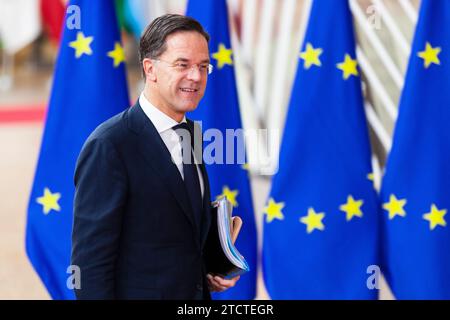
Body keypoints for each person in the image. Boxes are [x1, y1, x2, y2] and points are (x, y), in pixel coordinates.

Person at [71, 14, 240, 300]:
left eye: (203, 66)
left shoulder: (190, 133)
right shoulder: (110, 145)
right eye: (182, 65)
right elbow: (90, 267)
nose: (196, 77)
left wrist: (210, 266)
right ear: (150, 69)